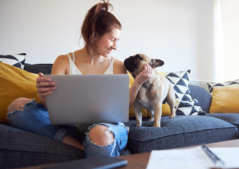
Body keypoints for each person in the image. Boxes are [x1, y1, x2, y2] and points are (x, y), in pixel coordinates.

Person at [6, 0, 152, 158]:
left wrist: (137, 83)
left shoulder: (118, 66)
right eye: (112, 39)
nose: (115, 46)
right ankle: (87, 149)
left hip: (108, 129)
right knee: (16, 107)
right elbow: (49, 107)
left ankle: (97, 145)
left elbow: (123, 106)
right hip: (71, 128)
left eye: (117, 41)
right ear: (94, 34)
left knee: (99, 134)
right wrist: (44, 93)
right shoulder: (63, 61)